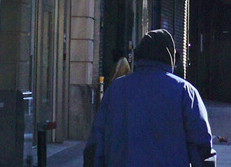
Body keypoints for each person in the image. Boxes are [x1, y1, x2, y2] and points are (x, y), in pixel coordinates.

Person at [89, 29, 215, 166]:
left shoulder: (115, 90)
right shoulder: (185, 92)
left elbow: (95, 146)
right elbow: (201, 147)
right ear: (171, 58)